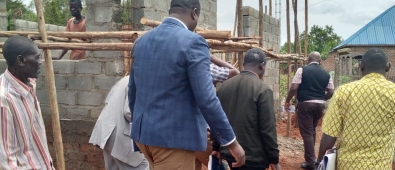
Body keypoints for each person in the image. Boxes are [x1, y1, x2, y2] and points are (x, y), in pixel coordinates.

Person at [128, 0, 246, 169]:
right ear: (194, 13)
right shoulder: (193, 42)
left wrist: (138, 133)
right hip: (173, 142)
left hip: (145, 138)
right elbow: (207, 100)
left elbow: (133, 92)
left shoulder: (141, 41)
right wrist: (232, 143)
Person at [317, 48, 395, 170]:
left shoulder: (344, 92)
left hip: (347, 164)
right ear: (388, 67)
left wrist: (319, 163)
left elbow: (329, 135)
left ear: (360, 65)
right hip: (381, 165)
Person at [214, 48, 281, 170]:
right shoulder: (263, 89)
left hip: (230, 152)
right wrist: (274, 159)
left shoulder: (223, 87)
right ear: (262, 66)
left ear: (244, 65)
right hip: (253, 157)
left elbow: (216, 119)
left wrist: (216, 147)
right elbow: (268, 129)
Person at [0, 35, 54, 169]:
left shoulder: (29, 84)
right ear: (21, 61)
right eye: (36, 57)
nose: (40, 61)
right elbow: (6, 160)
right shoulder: (4, 99)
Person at [284, 51, 334, 170]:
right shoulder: (327, 74)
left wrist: (287, 100)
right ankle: (312, 160)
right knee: (312, 131)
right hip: (320, 106)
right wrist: (321, 98)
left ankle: (312, 164)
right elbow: (331, 92)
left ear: (308, 60)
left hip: (305, 104)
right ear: (320, 61)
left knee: (307, 134)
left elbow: (294, 87)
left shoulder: (302, 70)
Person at [89, 76, 149, 170]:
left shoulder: (127, 78)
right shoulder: (141, 81)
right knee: (142, 166)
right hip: (119, 136)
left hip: (107, 133)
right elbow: (129, 111)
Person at [194, 55, 240, 170]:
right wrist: (210, 57)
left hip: (187, 133)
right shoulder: (205, 69)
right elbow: (236, 73)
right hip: (203, 134)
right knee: (219, 164)